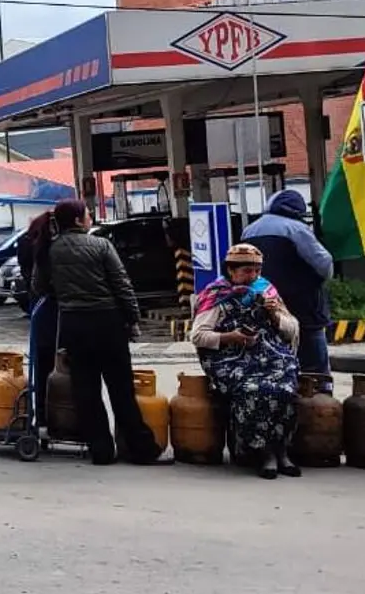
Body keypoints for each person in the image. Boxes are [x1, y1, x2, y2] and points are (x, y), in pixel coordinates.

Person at [47, 199, 163, 466]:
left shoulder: (51, 249)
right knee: (121, 389)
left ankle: (101, 450)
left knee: (86, 390)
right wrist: (133, 319)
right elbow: (122, 285)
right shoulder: (101, 245)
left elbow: (42, 285)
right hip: (107, 322)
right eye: (87, 214)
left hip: (74, 324)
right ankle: (141, 449)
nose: (90, 218)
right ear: (78, 220)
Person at [191, 244, 302, 480]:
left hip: (269, 355)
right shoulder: (216, 294)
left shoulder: (266, 290)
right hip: (230, 360)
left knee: (287, 385)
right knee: (254, 390)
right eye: (245, 271)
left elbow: (291, 329)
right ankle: (263, 452)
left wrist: (274, 315)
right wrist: (232, 337)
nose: (251, 277)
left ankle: (281, 449)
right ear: (231, 271)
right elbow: (198, 335)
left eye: (255, 271)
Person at [241, 190, 334, 380]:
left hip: (264, 306)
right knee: (314, 368)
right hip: (303, 307)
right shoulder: (296, 229)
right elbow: (324, 264)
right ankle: (319, 395)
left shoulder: (249, 231)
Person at [25, 211, 58, 425]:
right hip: (53, 311)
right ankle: (58, 418)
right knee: (60, 367)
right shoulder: (52, 250)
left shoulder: (35, 246)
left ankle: (43, 418)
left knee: (43, 368)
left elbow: (33, 282)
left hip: (40, 310)